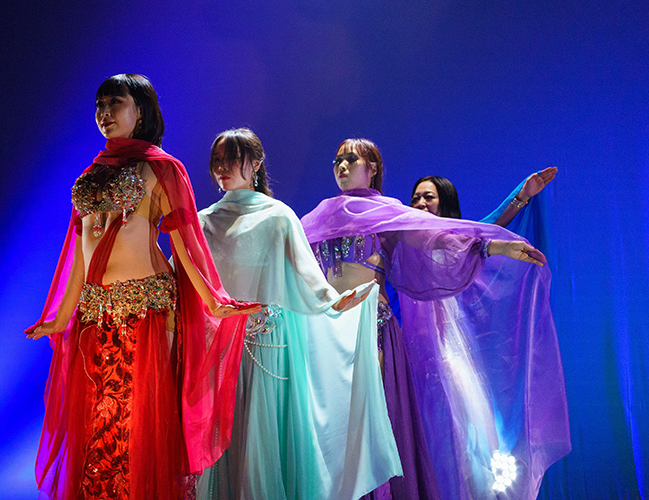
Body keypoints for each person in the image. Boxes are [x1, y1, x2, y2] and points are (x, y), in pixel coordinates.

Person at [24, 74, 259, 500]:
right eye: (99, 104)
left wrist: (213, 300)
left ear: (141, 110)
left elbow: (186, 242)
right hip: (95, 316)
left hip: (145, 312)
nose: (104, 112)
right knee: (97, 427)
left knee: (137, 424)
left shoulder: (162, 167)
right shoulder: (93, 172)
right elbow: (79, 253)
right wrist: (59, 317)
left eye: (115, 102)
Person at [301, 139, 570, 500]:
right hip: (326, 336)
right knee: (329, 432)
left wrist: (501, 241)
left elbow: (451, 238)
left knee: (376, 428)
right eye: (337, 160)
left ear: (373, 167)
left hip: (372, 332)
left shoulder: (388, 215)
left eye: (351, 159)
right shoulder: (314, 219)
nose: (342, 166)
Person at [195, 128, 402, 500]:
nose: (222, 168)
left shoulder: (278, 216)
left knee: (264, 436)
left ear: (256, 163)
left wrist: (332, 301)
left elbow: (306, 272)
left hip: (267, 341)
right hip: (220, 342)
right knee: (225, 435)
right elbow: (193, 279)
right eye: (218, 161)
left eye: (232, 159)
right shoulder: (205, 220)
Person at [410, 168, 557, 228]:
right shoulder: (402, 239)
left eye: (429, 197)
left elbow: (492, 227)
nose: (420, 203)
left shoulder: (461, 238)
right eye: (415, 199)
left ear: (446, 202)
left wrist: (523, 196)